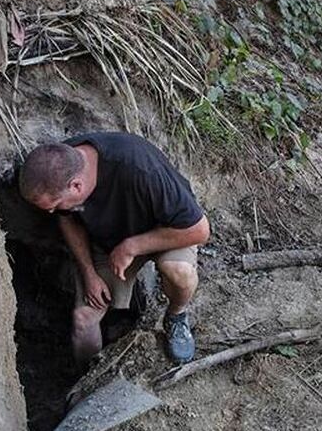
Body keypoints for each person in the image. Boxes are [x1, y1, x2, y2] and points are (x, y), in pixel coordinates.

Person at [18, 132, 210, 364]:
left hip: (166, 230)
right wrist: (89, 272)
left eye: (55, 206)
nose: (51, 213)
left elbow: (200, 230)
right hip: (109, 240)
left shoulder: (141, 170)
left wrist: (132, 246)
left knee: (180, 271)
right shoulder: (60, 163)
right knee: (83, 320)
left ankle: (176, 316)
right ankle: (89, 379)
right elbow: (66, 218)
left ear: (76, 186)